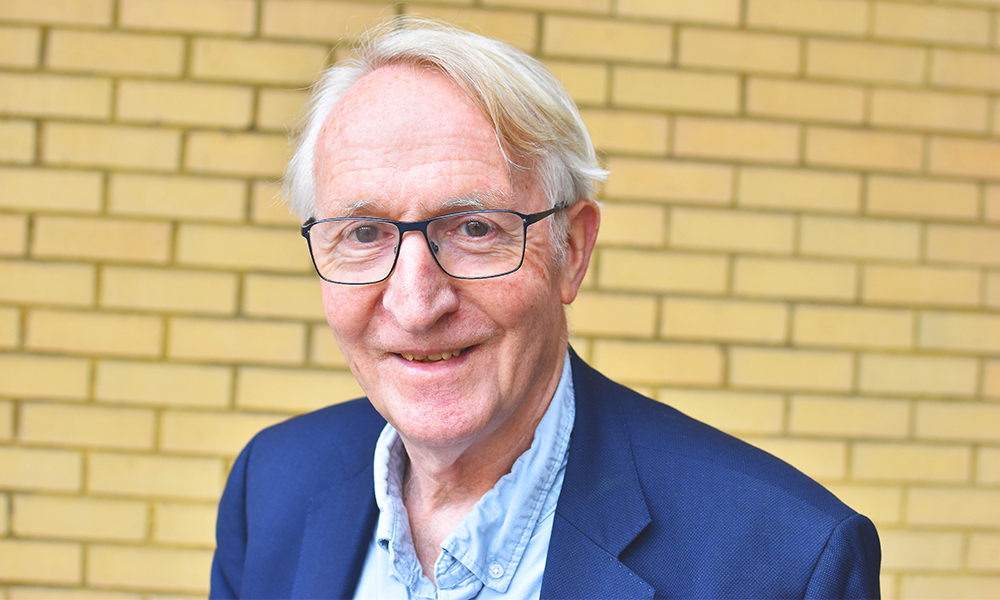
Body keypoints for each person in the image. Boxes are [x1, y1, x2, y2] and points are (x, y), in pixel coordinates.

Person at [210, 19, 881, 600]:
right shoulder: (270, 487)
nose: (416, 305)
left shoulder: (785, 561)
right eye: (363, 234)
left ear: (573, 251)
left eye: (474, 228)